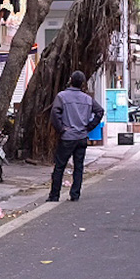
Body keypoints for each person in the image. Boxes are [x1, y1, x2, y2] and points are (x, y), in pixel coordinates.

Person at [49, 70, 101, 202]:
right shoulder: (87, 99)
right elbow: (100, 111)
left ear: (70, 80)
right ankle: (75, 194)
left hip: (67, 137)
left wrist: (61, 129)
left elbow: (54, 113)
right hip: (82, 137)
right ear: (82, 83)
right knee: (79, 167)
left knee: (60, 167)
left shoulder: (62, 96)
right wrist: (89, 126)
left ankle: (54, 196)